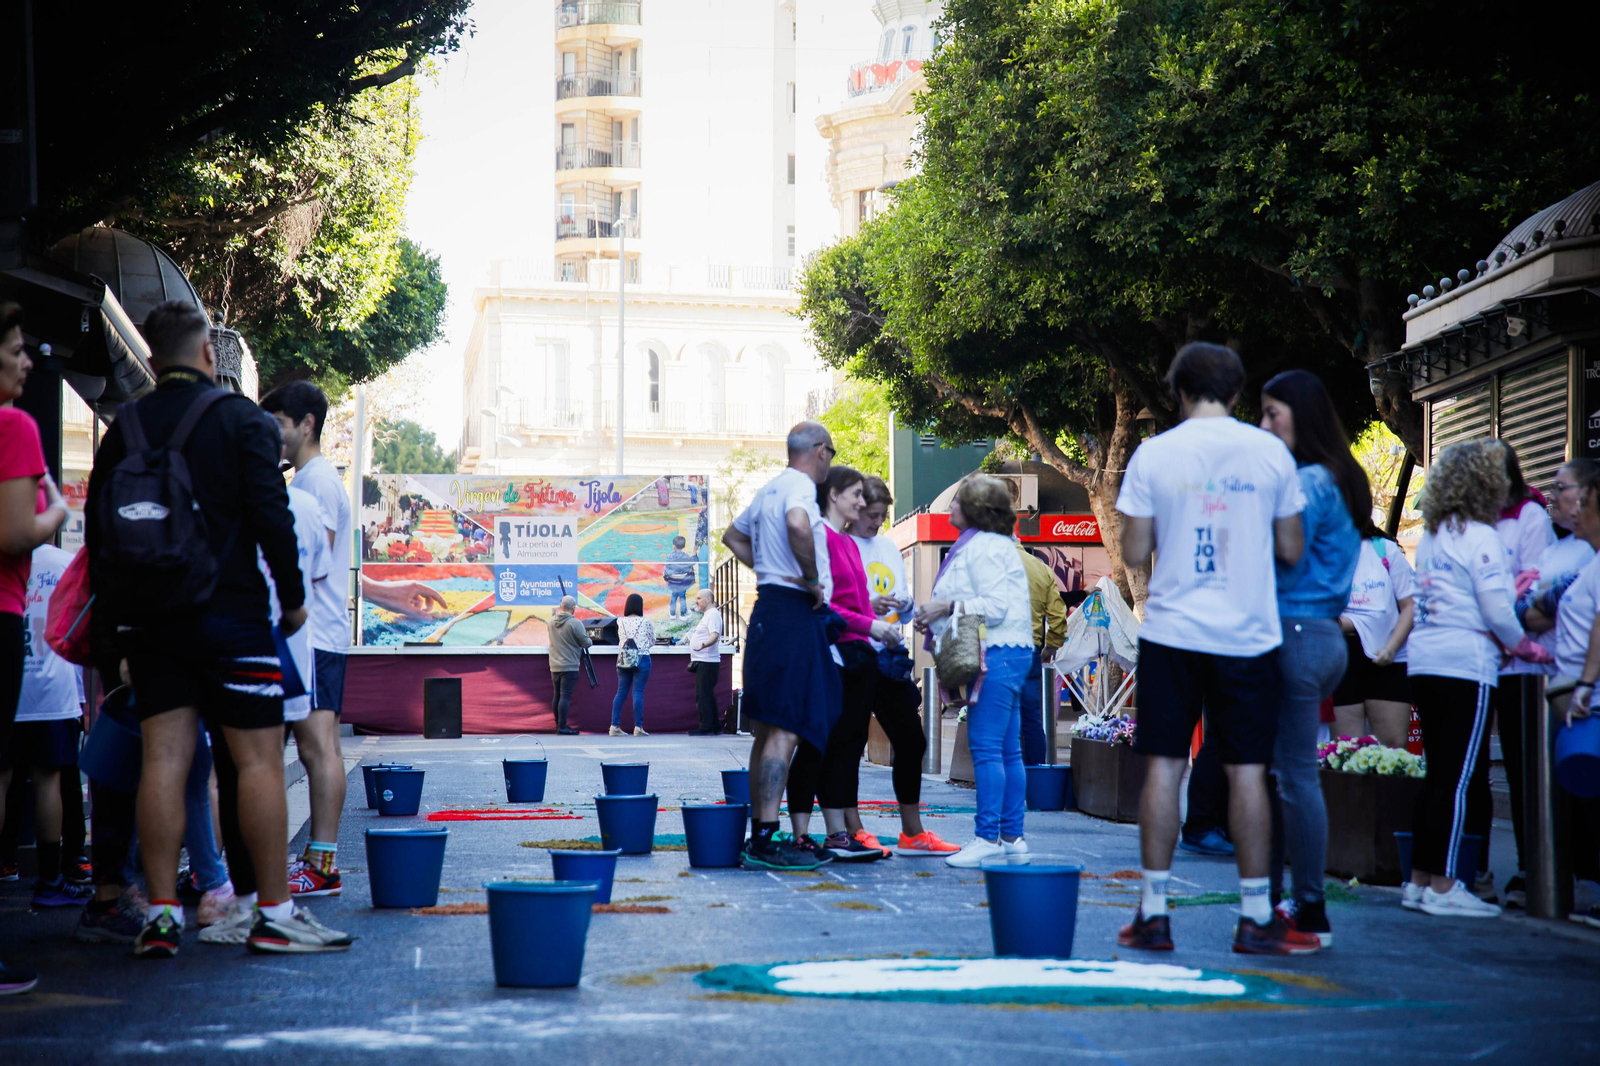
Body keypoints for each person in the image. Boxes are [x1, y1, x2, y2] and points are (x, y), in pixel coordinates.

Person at [86, 300, 350, 956]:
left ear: (150, 358)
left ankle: (163, 916)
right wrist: (291, 604)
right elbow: (272, 518)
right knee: (256, 761)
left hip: (152, 625)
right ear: (209, 354)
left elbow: (100, 536)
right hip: (233, 619)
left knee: (165, 763)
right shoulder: (239, 421)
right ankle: (276, 915)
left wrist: (112, 638)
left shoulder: (127, 427)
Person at [1114, 341, 1318, 955]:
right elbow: (1290, 549)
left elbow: (1131, 552)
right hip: (1247, 634)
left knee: (1164, 767)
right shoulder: (1270, 453)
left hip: (1173, 631)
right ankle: (1256, 916)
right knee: (1249, 772)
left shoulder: (1153, 454)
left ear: (1178, 390)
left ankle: (1154, 912)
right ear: (1237, 393)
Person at [1257, 370, 1364, 947]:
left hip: (1295, 632)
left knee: (1293, 777)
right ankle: (1287, 900)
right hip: (1320, 633)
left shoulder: (1306, 483)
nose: (1264, 424)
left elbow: (1284, 555)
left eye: (1274, 413)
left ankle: (1307, 906)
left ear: (1302, 414)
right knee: (1287, 776)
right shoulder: (1339, 479)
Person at [1402, 439, 1526, 919]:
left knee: (1437, 775)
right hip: (1466, 664)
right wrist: (1522, 643)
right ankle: (1444, 885)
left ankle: (1417, 881)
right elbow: (1496, 608)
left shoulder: (1433, 535)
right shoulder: (1481, 536)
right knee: (1457, 780)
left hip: (1425, 659)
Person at [723, 421, 839, 871]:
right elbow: (797, 524)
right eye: (830, 452)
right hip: (792, 611)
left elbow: (731, 537)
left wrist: (767, 567)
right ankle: (768, 840)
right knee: (787, 727)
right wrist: (811, 580)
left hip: (769, 609)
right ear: (820, 451)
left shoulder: (767, 488)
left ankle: (761, 834)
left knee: (769, 725)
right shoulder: (799, 489)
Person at [785, 465, 905, 862]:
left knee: (843, 746)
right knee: (818, 744)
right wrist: (871, 623)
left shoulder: (848, 543)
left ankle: (836, 831)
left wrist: (872, 615)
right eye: (855, 494)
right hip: (829, 653)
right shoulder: (819, 536)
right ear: (833, 495)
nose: (861, 500)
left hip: (855, 654)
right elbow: (825, 604)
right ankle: (804, 833)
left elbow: (848, 602)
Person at [261, 382, 352, 899]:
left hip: (312, 635)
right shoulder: (312, 480)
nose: (272, 434)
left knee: (319, 750)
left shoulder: (313, 485)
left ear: (305, 424)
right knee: (322, 748)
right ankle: (317, 862)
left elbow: (313, 563)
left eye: (277, 423)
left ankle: (321, 864)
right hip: (316, 635)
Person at [0, 302, 68, 994]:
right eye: (16, 350)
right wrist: (54, 509)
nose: (27, 364)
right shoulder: (13, 426)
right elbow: (19, 532)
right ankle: (50, 877)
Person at [916, 474, 1035, 869]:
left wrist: (945, 608)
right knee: (1007, 750)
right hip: (1012, 652)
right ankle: (1012, 838)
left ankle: (987, 837)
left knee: (986, 748)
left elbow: (995, 605)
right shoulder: (998, 545)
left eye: (956, 502)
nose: (949, 507)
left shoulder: (982, 548)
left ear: (975, 510)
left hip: (996, 653)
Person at [846, 476, 953, 856]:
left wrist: (905, 605)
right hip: (853, 653)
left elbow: (904, 608)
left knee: (912, 739)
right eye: (873, 515)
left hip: (890, 654)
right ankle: (851, 827)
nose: (877, 522)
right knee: (849, 742)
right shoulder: (840, 546)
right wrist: (867, 608)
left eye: (882, 516)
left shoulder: (888, 548)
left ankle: (912, 830)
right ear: (854, 508)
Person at [1509, 460, 1596, 908]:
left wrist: (1538, 605)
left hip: (1580, 685)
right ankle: (1553, 873)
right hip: (1543, 683)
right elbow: (1523, 609)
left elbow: (1551, 604)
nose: (1555, 496)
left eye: (1563, 488)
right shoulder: (1556, 550)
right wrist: (1538, 605)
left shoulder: (1590, 556)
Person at [1483, 443, 1557, 903]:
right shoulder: (1474, 520)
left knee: (1522, 766)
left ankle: (1534, 867)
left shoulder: (1530, 518)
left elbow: (1535, 589)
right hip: (1483, 660)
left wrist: (1497, 613)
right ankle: (1478, 869)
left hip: (1522, 666)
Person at [10, 543, 93, 909]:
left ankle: (6, 861)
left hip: (9, 683)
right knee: (50, 781)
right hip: (52, 688)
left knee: (2, 778)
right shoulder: (64, 563)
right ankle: (49, 880)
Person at [1331, 522, 1418, 750]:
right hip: (1342, 659)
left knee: (1392, 749)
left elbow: (1410, 605)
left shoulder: (1384, 550)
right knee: (1345, 752)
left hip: (1389, 658)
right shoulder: (1321, 551)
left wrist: (1391, 647)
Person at [1018, 546, 1068, 767]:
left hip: (994, 651)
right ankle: (1034, 783)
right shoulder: (1041, 568)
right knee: (1031, 722)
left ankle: (1004, 787)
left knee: (997, 722)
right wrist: (1051, 646)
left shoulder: (987, 562)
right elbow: (1058, 615)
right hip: (1029, 651)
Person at [609, 594, 654, 736]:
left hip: (623, 660)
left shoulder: (619, 621)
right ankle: (638, 727)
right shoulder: (646, 622)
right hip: (642, 658)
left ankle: (614, 726)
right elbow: (652, 640)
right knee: (638, 692)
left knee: (621, 692)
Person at [547, 596, 589, 735]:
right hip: (569, 664)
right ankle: (562, 727)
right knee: (565, 696)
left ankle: (558, 725)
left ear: (560, 605)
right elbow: (586, 643)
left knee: (557, 695)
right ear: (574, 608)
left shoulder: (551, 622)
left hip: (554, 664)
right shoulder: (575, 623)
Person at [685, 588, 723, 736]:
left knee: (703, 695)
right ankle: (714, 725)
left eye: (699, 598)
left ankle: (706, 727)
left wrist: (704, 644)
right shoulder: (709, 615)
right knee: (706, 694)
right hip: (704, 661)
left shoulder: (713, 615)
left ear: (708, 599)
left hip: (707, 661)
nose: (696, 601)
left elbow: (714, 635)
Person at [664, 535, 695, 618]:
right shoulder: (686, 557)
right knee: (682, 597)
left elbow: (667, 568)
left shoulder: (670, 556)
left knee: (673, 596)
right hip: (683, 582)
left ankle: (672, 613)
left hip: (673, 582)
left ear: (674, 546)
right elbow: (693, 562)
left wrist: (666, 578)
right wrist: (695, 554)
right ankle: (683, 613)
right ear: (684, 546)